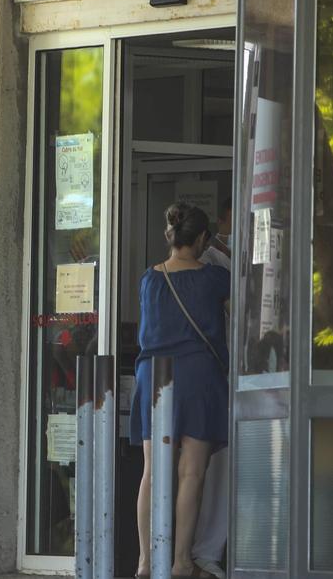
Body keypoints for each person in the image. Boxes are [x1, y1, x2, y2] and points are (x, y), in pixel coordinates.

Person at [130, 203, 229, 579]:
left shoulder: (148, 279)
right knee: (191, 474)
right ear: (202, 239)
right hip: (198, 377)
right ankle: (182, 561)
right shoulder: (214, 278)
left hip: (153, 378)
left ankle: (144, 561)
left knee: (152, 474)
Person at [194, 201, 231, 579]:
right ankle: (205, 552)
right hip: (219, 373)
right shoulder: (208, 264)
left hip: (245, 373)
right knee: (214, 466)